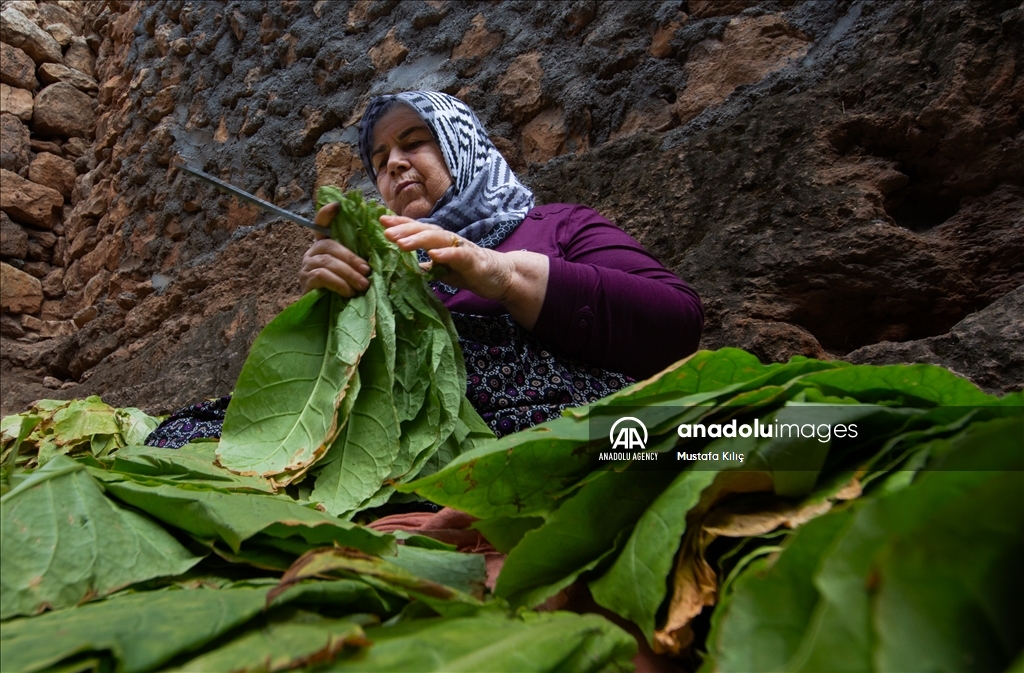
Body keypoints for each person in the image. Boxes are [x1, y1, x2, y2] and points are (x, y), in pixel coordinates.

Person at [299, 91, 704, 437]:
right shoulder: (382, 276)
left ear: (463, 143)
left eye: (414, 142)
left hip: (580, 447)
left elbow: (677, 325)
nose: (394, 164)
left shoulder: (558, 226)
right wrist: (334, 312)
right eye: (380, 158)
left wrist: (506, 276)